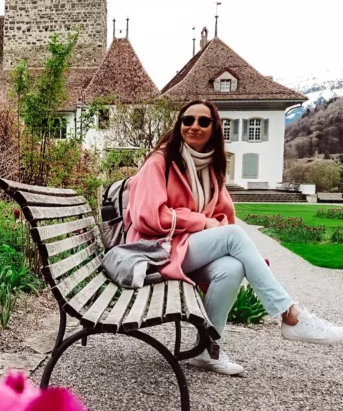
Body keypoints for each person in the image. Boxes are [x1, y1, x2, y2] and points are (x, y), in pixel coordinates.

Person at [124, 98, 343, 375]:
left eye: (203, 121)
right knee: (233, 236)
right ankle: (290, 314)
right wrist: (202, 222)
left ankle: (207, 349)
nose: (194, 126)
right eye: (187, 120)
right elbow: (148, 216)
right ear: (178, 124)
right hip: (154, 250)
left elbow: (224, 215)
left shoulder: (212, 169)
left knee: (232, 267)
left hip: (182, 247)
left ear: (214, 128)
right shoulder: (159, 162)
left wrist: (220, 234)